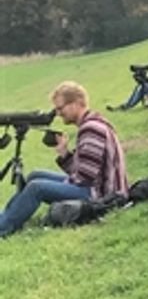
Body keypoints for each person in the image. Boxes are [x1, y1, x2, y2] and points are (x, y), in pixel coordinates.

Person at [0, 82, 128, 236]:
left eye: (60, 108)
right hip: (96, 186)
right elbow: (85, 171)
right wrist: (64, 154)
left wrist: (60, 185)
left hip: (101, 195)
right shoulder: (91, 123)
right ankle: (9, 217)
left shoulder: (92, 129)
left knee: (36, 187)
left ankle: (4, 226)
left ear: (76, 103)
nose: (58, 113)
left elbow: (85, 178)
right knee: (35, 175)